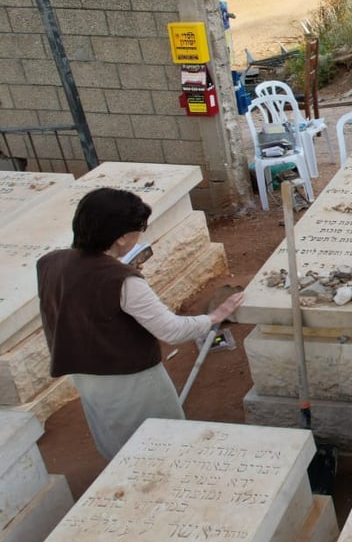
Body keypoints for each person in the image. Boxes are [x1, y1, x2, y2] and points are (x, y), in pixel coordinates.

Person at [36, 188, 245, 459]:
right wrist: (215, 316)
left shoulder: (50, 262)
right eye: (139, 229)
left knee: (113, 437)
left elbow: (82, 297)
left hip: (84, 374)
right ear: (122, 237)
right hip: (130, 378)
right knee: (161, 443)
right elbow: (171, 330)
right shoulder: (123, 280)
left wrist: (117, 267)